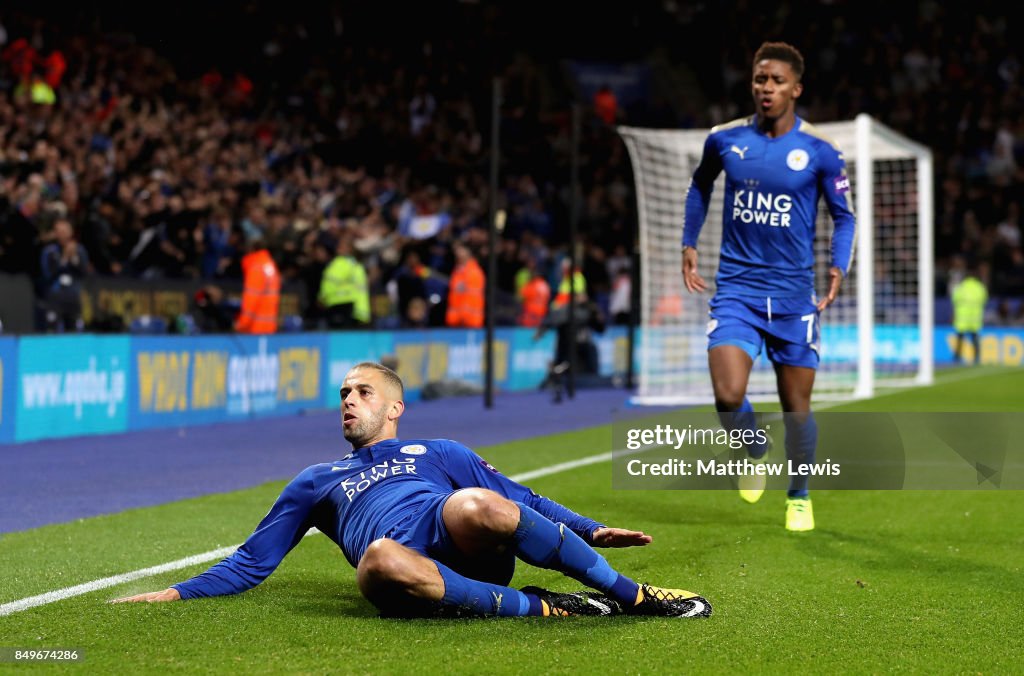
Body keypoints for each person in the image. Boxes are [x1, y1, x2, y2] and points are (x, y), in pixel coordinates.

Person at [112, 362, 711, 619]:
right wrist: (173, 594)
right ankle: (548, 608)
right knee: (377, 557)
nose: (348, 400)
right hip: (400, 575)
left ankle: (634, 597)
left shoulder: (439, 453)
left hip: (469, 548)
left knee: (476, 503)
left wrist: (588, 529)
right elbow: (251, 562)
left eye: (362, 392)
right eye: (343, 394)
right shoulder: (315, 481)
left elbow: (519, 498)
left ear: (395, 407)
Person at [680, 42, 856, 532]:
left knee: (797, 410)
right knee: (728, 393)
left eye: (777, 81)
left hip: (796, 297)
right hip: (737, 290)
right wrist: (688, 241)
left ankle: (798, 495)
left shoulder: (821, 152)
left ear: (795, 89)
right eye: (760, 80)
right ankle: (752, 447)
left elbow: (844, 217)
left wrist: (839, 265)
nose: (767, 89)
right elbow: (700, 186)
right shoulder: (725, 140)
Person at [39, 217, 91, 332]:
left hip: (73, 296)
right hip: (55, 297)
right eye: (59, 231)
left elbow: (84, 272)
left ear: (71, 232)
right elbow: (47, 275)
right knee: (52, 330)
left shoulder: (80, 250)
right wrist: (64, 259)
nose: (62, 235)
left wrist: (73, 258)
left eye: (64, 231)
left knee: (75, 330)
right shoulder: (49, 251)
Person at [234, 237, 281, 334]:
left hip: (254, 328)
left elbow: (251, 299)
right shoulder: (270, 265)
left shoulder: (256, 268)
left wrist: (242, 324)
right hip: (269, 326)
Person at [951, 261, 988, 365]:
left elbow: (955, 301)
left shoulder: (961, 287)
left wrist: (954, 315)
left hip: (962, 318)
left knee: (960, 338)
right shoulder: (980, 287)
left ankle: (957, 356)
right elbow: (985, 300)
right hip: (975, 318)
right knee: (975, 337)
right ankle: (977, 357)